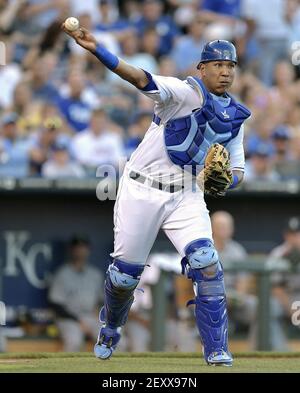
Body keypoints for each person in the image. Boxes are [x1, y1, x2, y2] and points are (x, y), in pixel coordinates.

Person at [62, 21, 251, 366]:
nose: (225, 72)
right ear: (202, 68)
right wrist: (96, 49)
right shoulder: (182, 92)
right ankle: (111, 325)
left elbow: (238, 170)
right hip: (142, 188)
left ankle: (216, 349)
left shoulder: (234, 117)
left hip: (187, 193)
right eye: (218, 65)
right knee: (123, 278)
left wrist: (227, 181)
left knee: (207, 263)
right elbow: (138, 77)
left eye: (230, 66)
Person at [48, 235, 104, 352]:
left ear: (88, 250)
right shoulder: (62, 274)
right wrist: (78, 321)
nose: (80, 251)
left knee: (114, 340)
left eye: (83, 248)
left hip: (91, 317)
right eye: (77, 248)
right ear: (71, 250)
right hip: (69, 319)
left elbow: (101, 300)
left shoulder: (95, 274)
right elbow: (56, 304)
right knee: (74, 342)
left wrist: (98, 312)